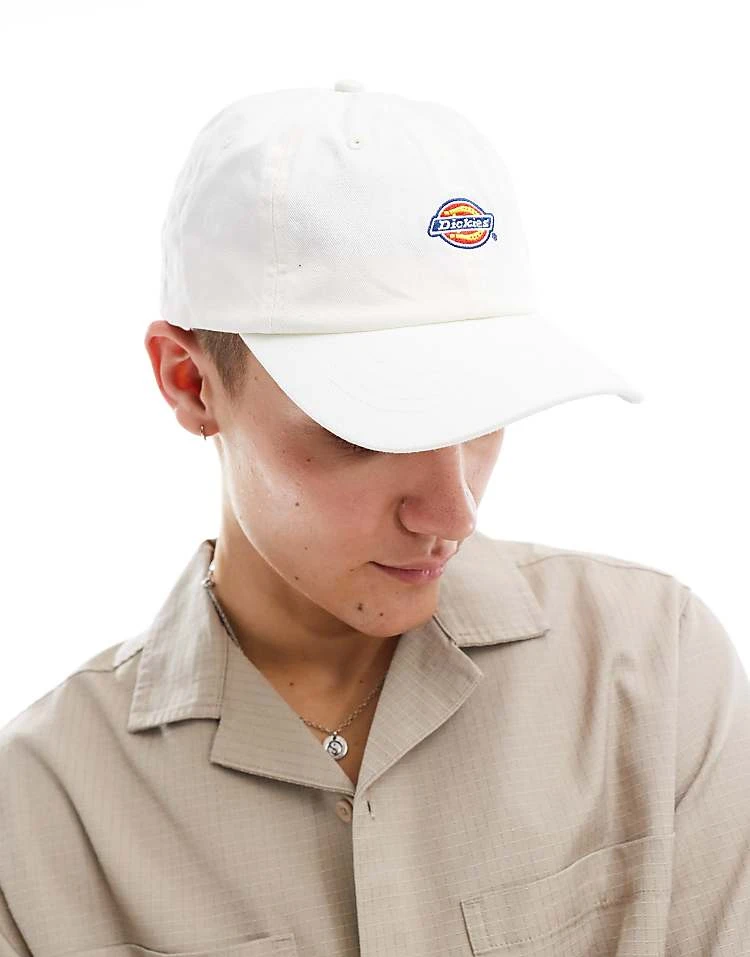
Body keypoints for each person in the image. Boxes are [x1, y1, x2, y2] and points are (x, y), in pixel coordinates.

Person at [1, 80, 748, 957]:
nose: (453, 512)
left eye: (483, 410)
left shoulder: (650, 674)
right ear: (190, 380)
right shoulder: (41, 820)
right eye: (366, 427)